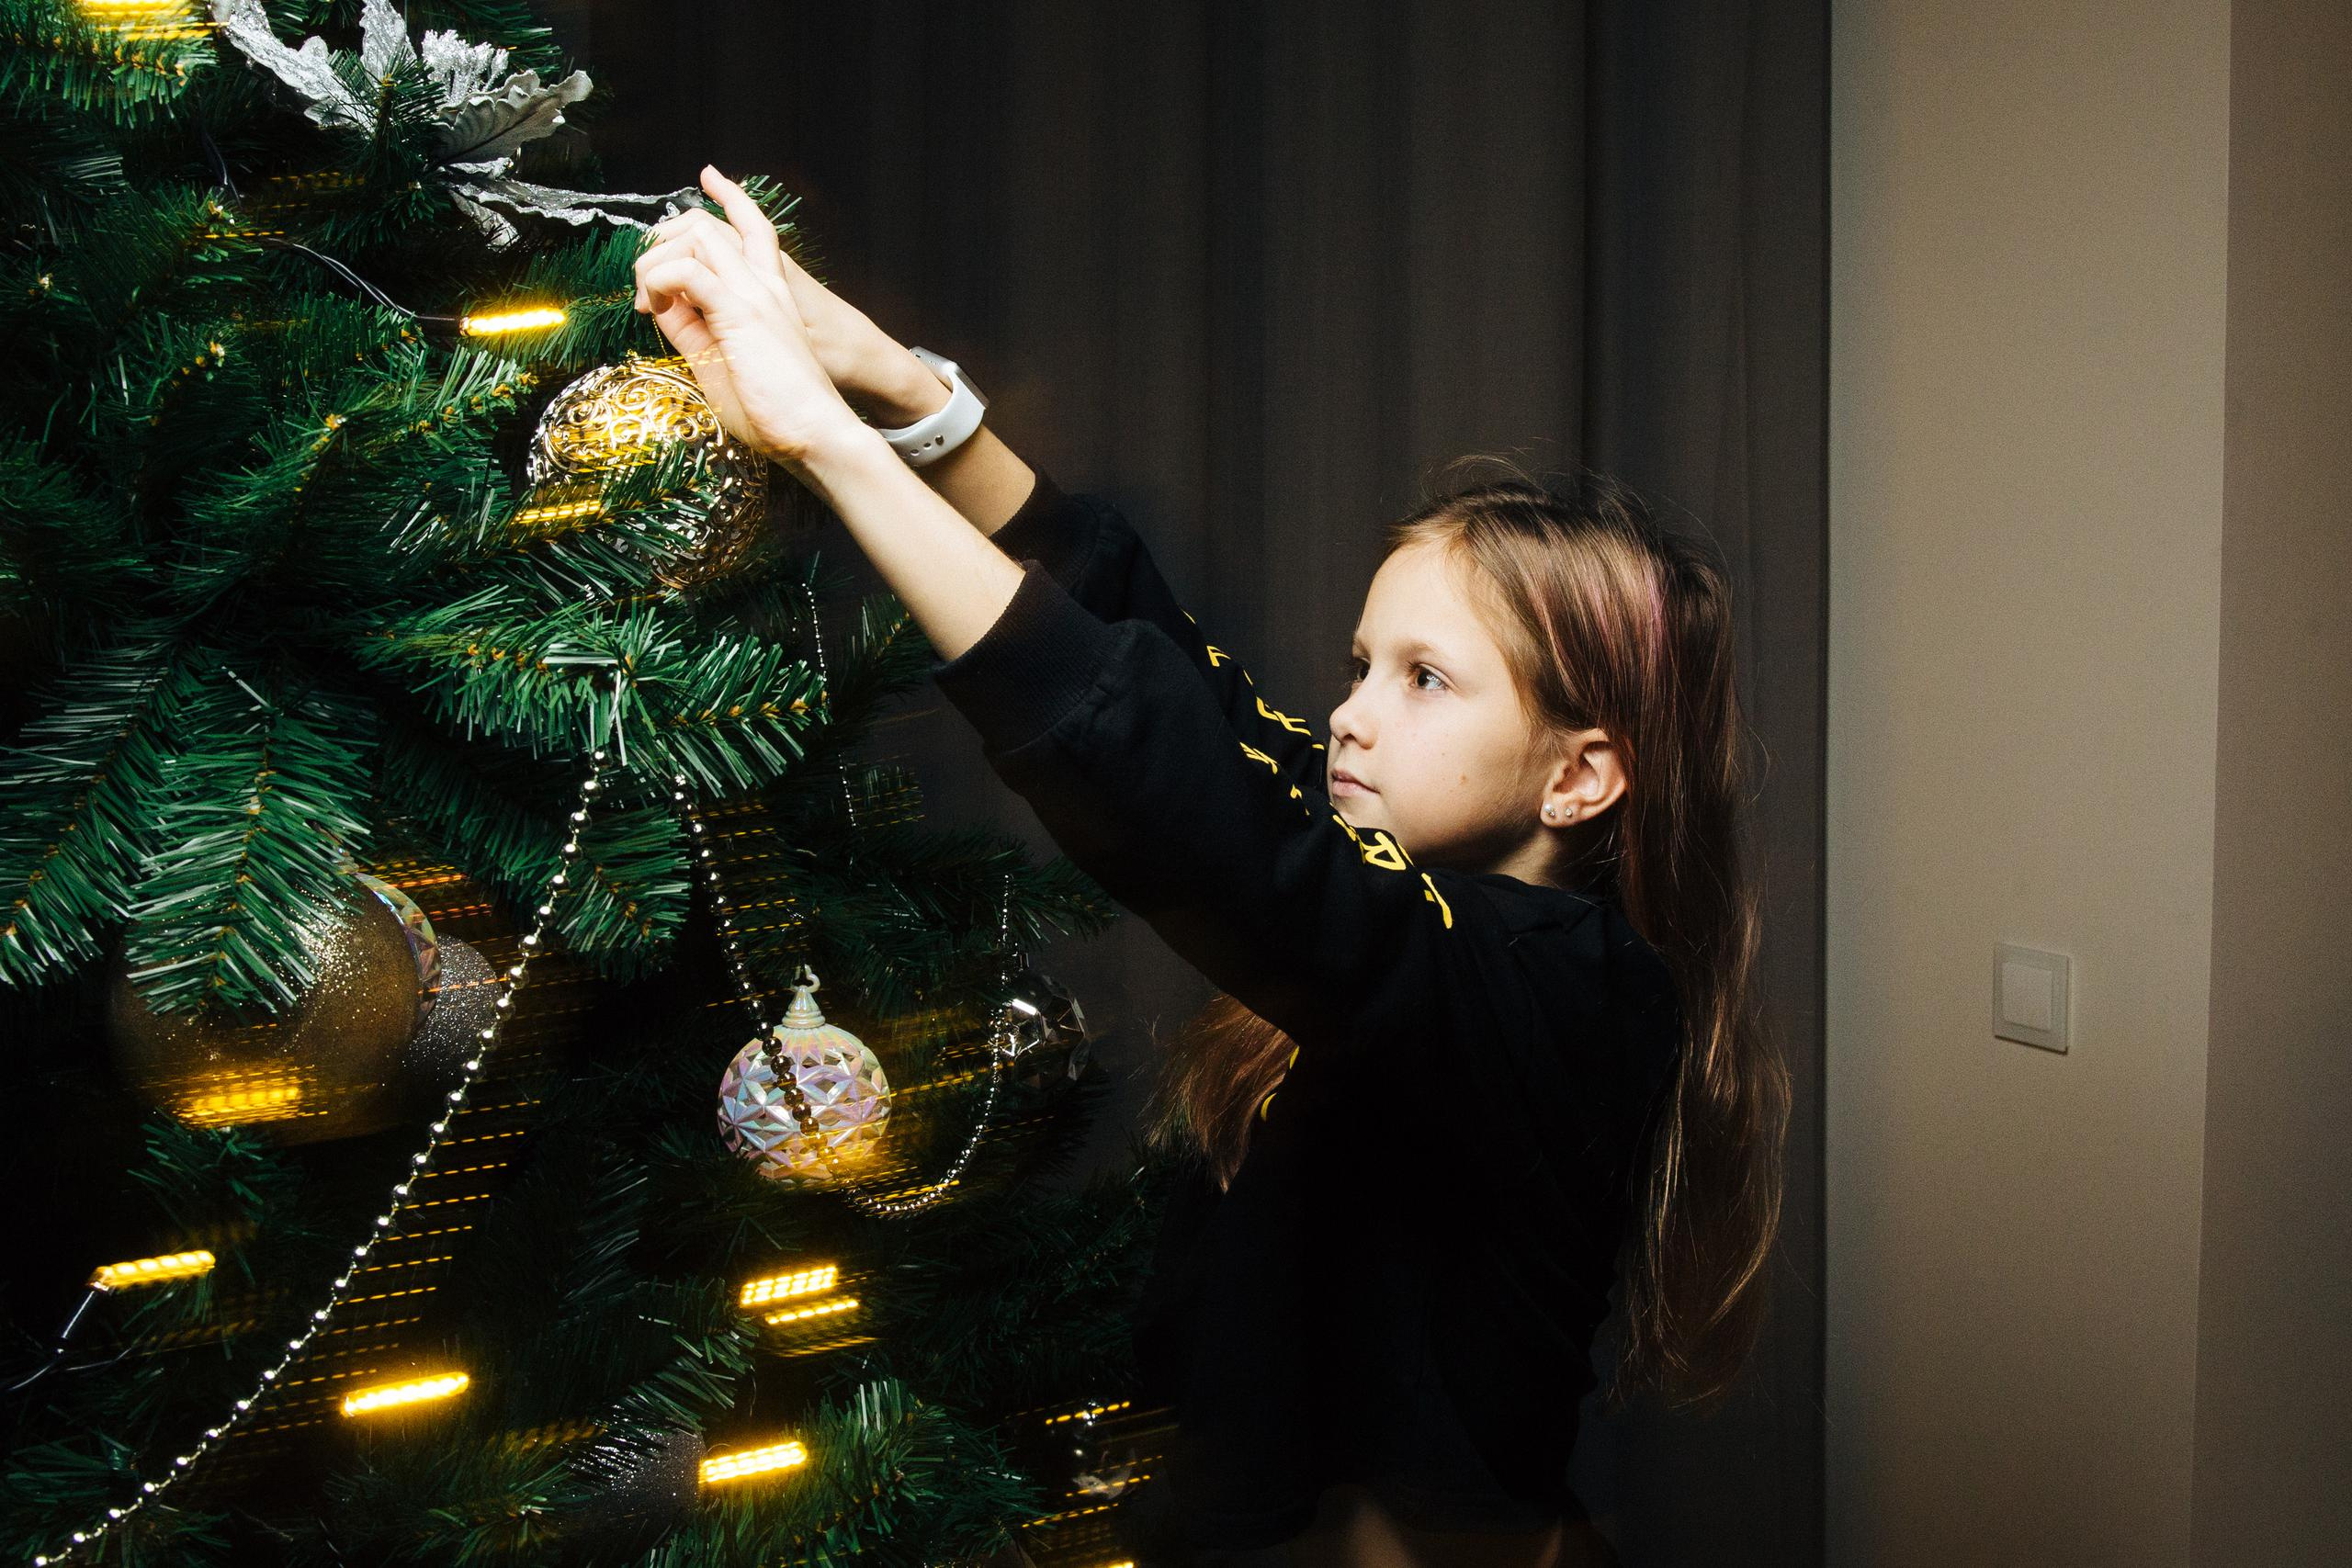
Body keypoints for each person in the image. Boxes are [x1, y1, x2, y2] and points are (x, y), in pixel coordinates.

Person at [632, 166, 1791, 1568]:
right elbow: (1148, 646)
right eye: (1362, 662)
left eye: (1426, 679)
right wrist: (887, 382)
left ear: (1579, 774)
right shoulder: (1395, 859)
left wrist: (828, 446)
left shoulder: (1576, 988)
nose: (1352, 710)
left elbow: (1188, 800)